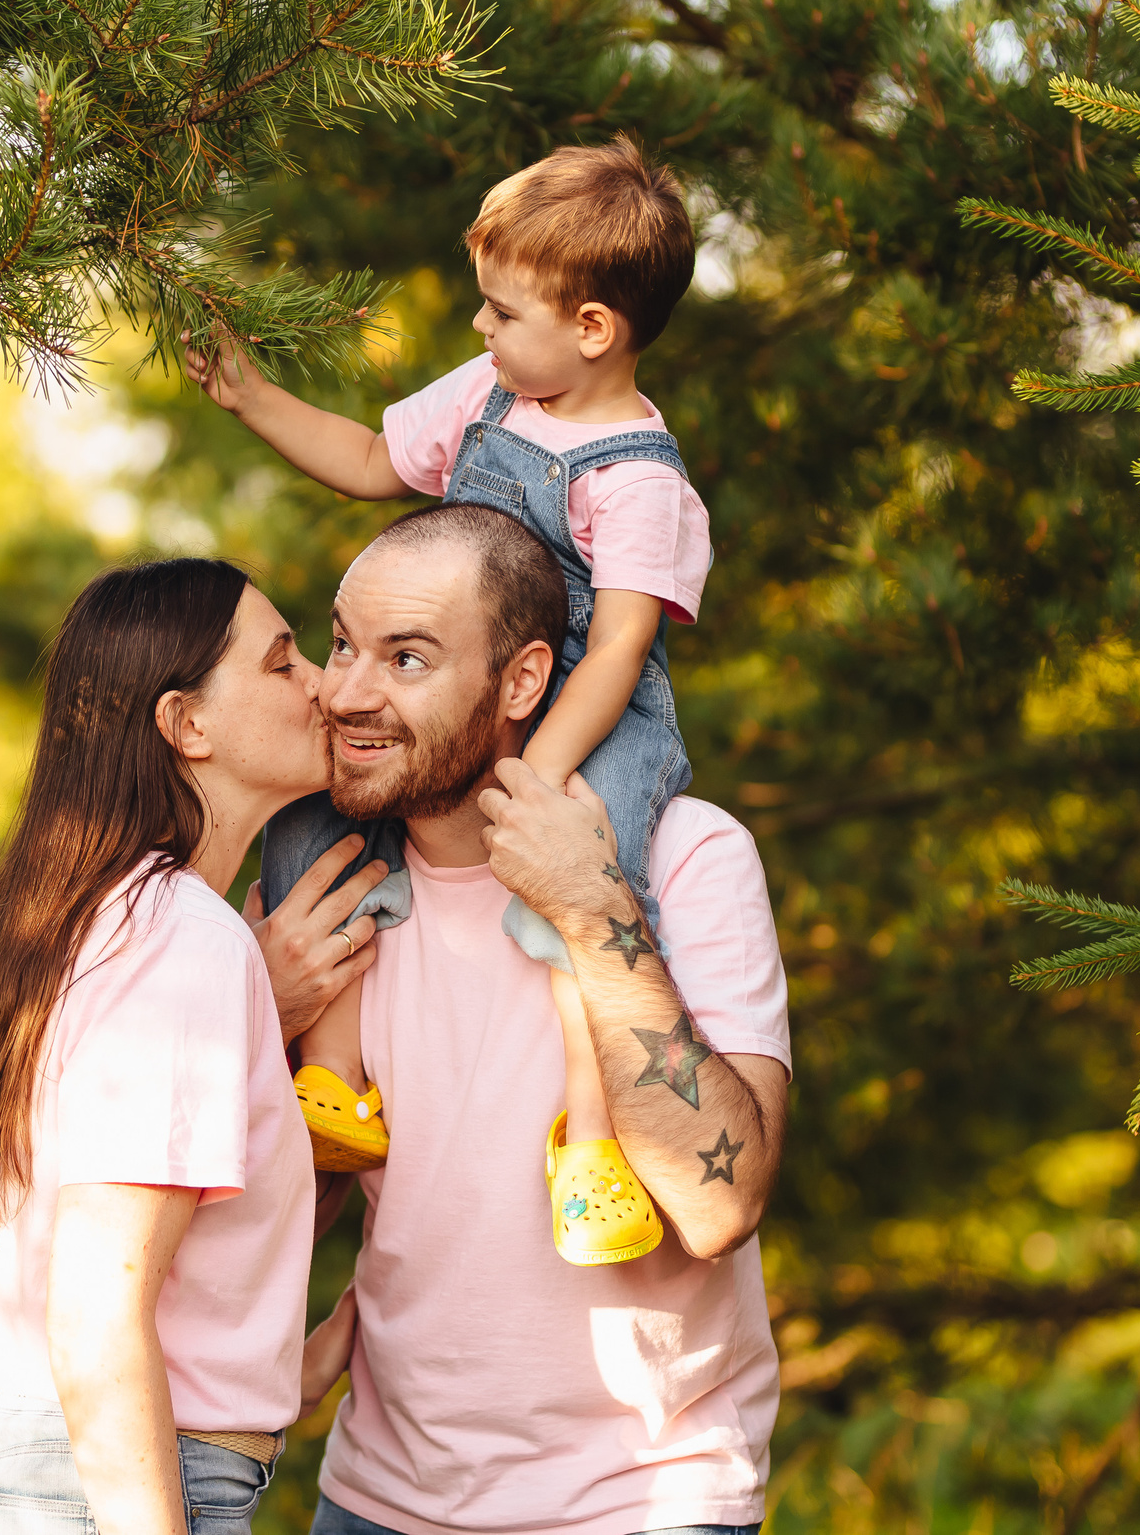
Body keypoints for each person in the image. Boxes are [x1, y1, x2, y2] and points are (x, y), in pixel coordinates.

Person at [187, 136, 711, 1267]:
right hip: (466, 692)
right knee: (326, 824)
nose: (478, 328)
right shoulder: (493, 393)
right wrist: (252, 399)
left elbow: (618, 643)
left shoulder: (638, 478)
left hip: (588, 710)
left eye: (500, 311)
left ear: (592, 329)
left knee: (584, 887)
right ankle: (333, 1082)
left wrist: (544, 775)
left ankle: (592, 1136)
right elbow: (375, 457)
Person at [257, 506, 793, 1535]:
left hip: (639, 1500)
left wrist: (592, 911)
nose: (347, 694)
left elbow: (719, 1206)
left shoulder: (687, 859)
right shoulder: (318, 889)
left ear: (521, 682)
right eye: (339, 645)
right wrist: (257, 1015)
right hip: (376, 1497)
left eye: (405, 659)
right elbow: (271, 1204)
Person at [0, 558, 392, 1535]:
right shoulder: (180, 941)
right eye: (281, 661)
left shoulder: (86, 917)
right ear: (188, 726)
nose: (324, 686)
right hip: (98, 1492)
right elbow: (91, 1321)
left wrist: (249, 1379)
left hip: (45, 1466)